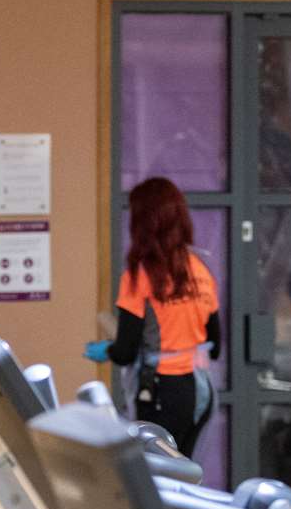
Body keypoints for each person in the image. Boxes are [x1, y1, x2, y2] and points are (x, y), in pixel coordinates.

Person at [84, 177, 221, 457]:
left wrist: (105, 350)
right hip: (200, 391)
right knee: (187, 474)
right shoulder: (199, 269)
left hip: (159, 393)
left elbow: (124, 351)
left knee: (158, 482)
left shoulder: (139, 278)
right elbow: (215, 343)